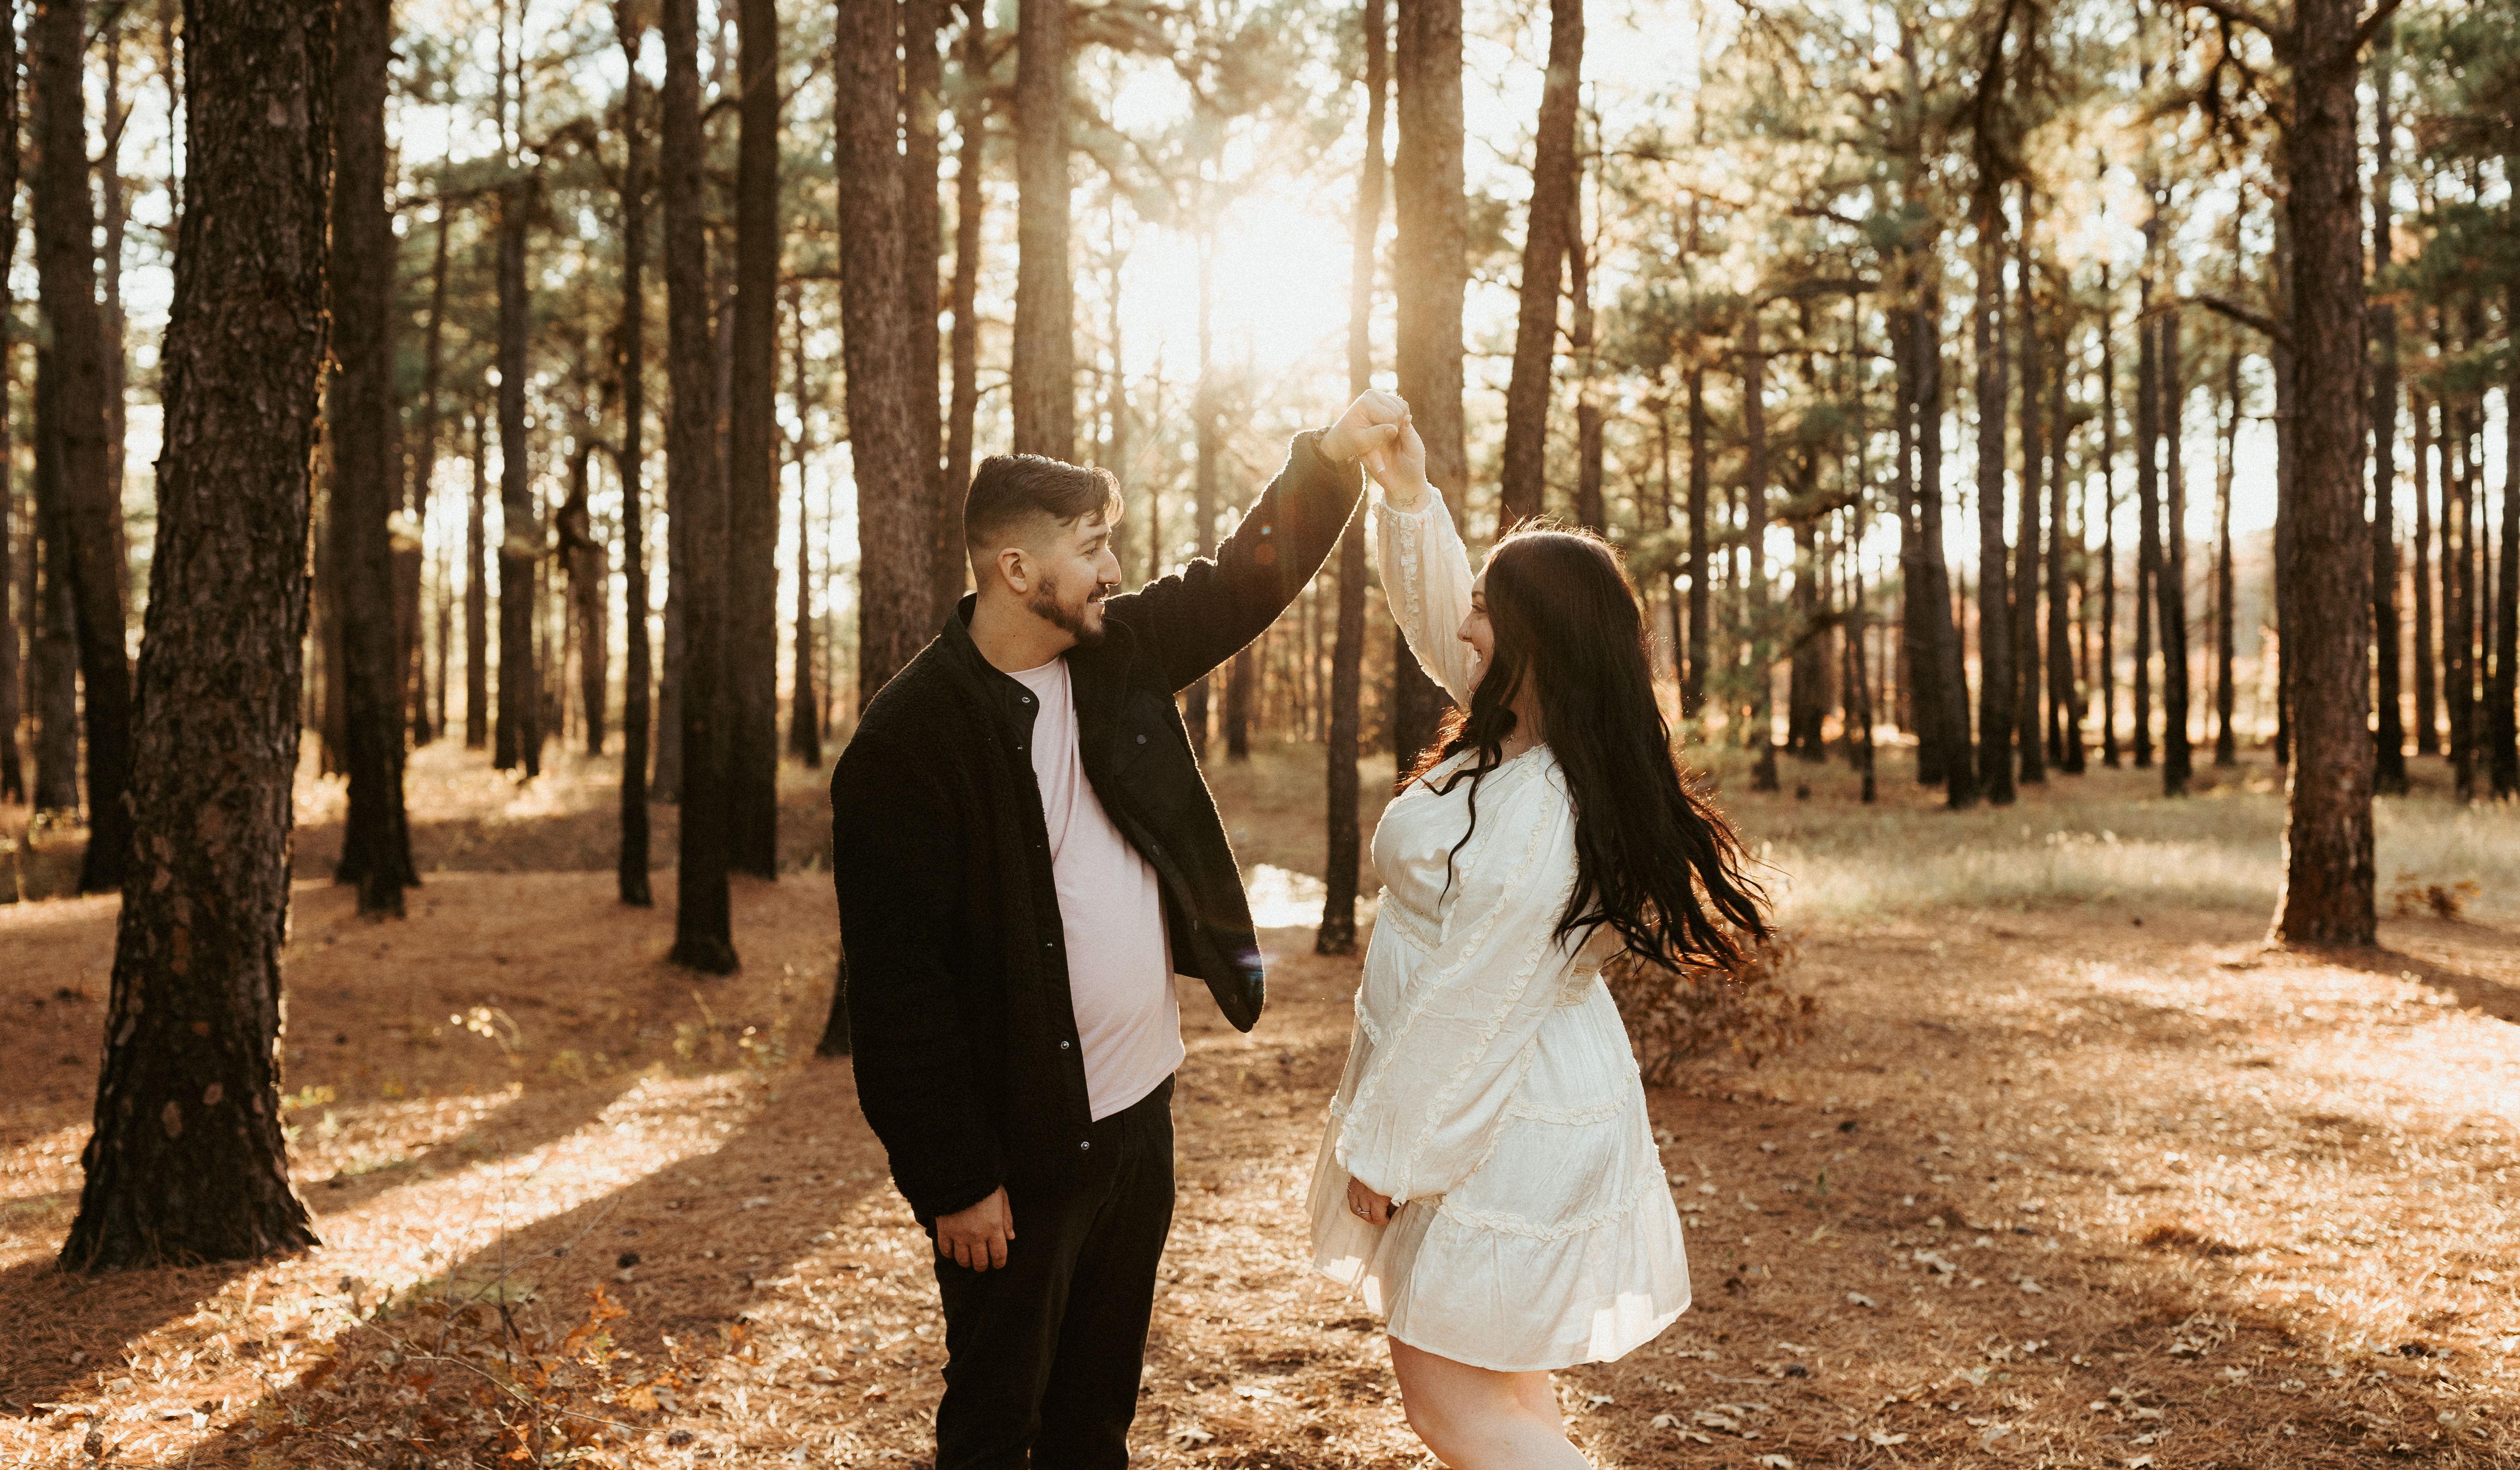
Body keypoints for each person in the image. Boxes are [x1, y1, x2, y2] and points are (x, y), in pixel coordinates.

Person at [830, 393, 1405, 1470]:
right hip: (1020, 1150)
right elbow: (900, 996)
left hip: (1141, 1114)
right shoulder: (908, 743)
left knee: (1095, 1419)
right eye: (1093, 549)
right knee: (998, 1424)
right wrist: (956, 1179)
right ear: (1016, 569)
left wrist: (1330, 459)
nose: (1113, 571)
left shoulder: (1113, 652)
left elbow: (1242, 580)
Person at [1306, 412, 1769, 1470]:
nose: (1465, 627)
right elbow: (1442, 624)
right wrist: (1408, 496)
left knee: (1454, 1411)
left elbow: (1481, 997)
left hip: (1498, 1118)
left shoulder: (1543, 806)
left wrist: (1390, 1154)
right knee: (1512, 1397)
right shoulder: (1525, 729)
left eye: (1487, 611)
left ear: (1533, 644)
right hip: (1496, 1099)